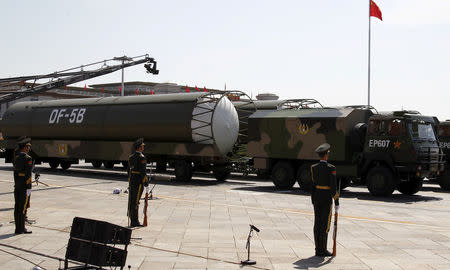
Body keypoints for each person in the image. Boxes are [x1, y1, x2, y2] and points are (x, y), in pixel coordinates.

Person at [310, 143, 339, 256]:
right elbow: (333, 187)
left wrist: (313, 200)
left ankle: (318, 249)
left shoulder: (314, 168)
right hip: (326, 199)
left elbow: (312, 186)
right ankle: (323, 250)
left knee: (317, 223)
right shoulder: (331, 168)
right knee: (325, 224)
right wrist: (336, 201)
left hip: (317, 198)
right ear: (326, 155)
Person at [127, 138, 149, 227]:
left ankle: (132, 218)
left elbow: (129, 171)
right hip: (139, 182)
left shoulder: (131, 157)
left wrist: (130, 181)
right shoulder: (141, 157)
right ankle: (134, 221)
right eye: (142, 147)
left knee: (131, 201)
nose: (143, 148)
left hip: (132, 181)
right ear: (139, 148)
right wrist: (146, 182)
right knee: (136, 201)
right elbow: (143, 172)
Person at [13, 137, 33, 234]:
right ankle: (22, 229)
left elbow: (16, 174)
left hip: (17, 186)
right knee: (23, 208)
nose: (28, 149)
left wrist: (17, 184)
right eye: (28, 147)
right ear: (24, 148)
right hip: (25, 187)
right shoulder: (27, 159)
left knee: (17, 207)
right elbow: (28, 174)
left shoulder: (16, 158)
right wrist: (29, 187)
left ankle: (18, 228)